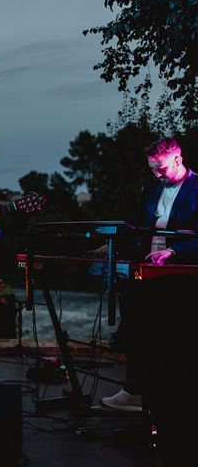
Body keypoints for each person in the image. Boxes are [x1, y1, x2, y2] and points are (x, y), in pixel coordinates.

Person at [101, 137, 198, 413]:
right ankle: (134, 391)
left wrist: (174, 251)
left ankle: (172, 398)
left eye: (161, 169)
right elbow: (138, 227)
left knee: (174, 336)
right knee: (138, 327)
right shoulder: (153, 188)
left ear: (178, 160)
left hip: (181, 274)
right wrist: (110, 245)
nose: (157, 174)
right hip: (146, 269)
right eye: (152, 169)